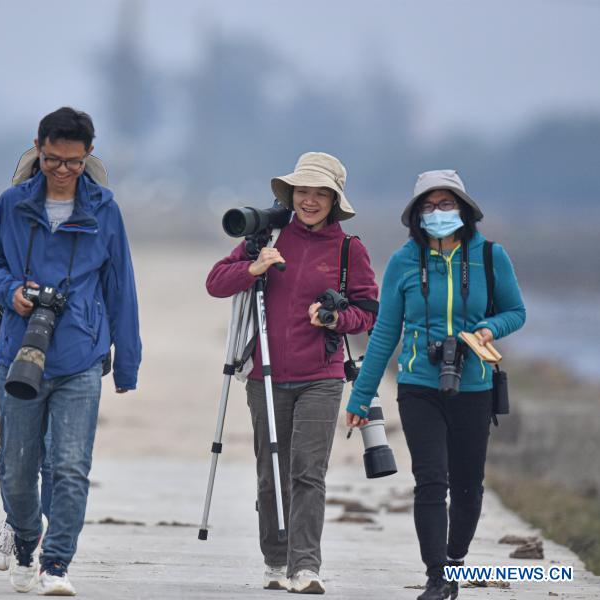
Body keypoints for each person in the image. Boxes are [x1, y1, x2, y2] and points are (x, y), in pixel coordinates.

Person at [0, 107, 141, 596]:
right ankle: (27, 539)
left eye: (72, 161)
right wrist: (11, 292)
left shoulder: (104, 210)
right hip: (19, 352)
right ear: (38, 149)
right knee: (16, 468)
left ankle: (58, 564)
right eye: (52, 160)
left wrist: (126, 364)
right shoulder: (11, 204)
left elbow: (121, 288)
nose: (62, 170)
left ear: (88, 155)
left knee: (70, 467)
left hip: (80, 357)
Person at [344, 170, 526, 600]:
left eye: (446, 204)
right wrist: (361, 395)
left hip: (475, 386)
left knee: (468, 485)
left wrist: (488, 328)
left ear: (464, 210)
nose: (438, 213)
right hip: (418, 385)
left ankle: (456, 559)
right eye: (428, 206)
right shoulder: (404, 262)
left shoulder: (489, 256)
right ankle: (436, 576)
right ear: (415, 216)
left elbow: (516, 312)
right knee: (430, 481)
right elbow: (385, 333)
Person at [206, 152, 378, 594]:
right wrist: (253, 267)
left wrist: (336, 321)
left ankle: (305, 566)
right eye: (303, 191)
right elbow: (215, 282)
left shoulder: (348, 249)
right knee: (271, 474)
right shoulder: (267, 237)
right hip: (265, 374)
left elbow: (369, 313)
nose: (311, 200)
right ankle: (274, 560)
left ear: (335, 200)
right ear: (292, 195)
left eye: (321, 193)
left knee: (308, 472)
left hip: (323, 374)